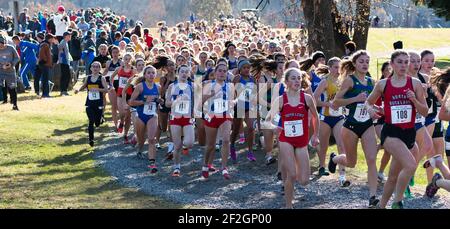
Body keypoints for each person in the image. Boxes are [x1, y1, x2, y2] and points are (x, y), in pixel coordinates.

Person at [365, 50, 428, 209]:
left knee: (392, 177)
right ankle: (397, 201)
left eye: (406, 62)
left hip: (409, 133)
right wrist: (371, 110)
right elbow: (368, 102)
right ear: (392, 64)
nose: (404, 65)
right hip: (391, 132)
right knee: (411, 165)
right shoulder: (383, 84)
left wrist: (414, 99)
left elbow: (425, 111)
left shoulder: (415, 84)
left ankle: (381, 206)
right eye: (400, 62)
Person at [328, 50, 379, 207]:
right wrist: (355, 98)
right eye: (361, 61)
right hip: (350, 125)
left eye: (367, 61)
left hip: (367, 125)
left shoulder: (372, 82)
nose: (365, 64)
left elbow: (369, 104)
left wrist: (376, 109)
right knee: (351, 163)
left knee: (371, 159)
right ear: (355, 64)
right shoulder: (349, 81)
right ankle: (335, 159)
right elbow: (336, 102)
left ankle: (372, 196)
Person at [266, 68, 320, 209]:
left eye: (299, 78)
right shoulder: (281, 100)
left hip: (301, 141)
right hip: (286, 140)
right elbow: (266, 121)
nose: (297, 81)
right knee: (292, 174)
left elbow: (316, 117)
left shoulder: (307, 98)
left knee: (304, 180)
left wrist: (315, 135)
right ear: (287, 82)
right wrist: (274, 127)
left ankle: (289, 169)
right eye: (293, 78)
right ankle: (288, 205)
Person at [313, 57, 349, 187]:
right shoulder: (325, 81)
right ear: (329, 68)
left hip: (339, 117)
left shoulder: (343, 80)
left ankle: (342, 175)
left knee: (341, 144)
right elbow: (314, 99)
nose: (338, 70)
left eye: (340, 67)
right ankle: (322, 167)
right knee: (324, 145)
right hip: (325, 117)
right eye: (335, 67)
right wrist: (327, 103)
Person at [201, 63, 235, 179]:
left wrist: (233, 103)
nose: (222, 73)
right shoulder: (208, 85)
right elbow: (200, 102)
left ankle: (224, 168)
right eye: (219, 71)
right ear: (215, 73)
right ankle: (206, 165)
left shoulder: (230, 86)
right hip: (212, 115)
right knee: (210, 145)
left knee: (226, 140)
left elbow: (232, 101)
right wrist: (209, 95)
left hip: (225, 116)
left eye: (224, 71)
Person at [128, 65, 162, 174]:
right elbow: (131, 102)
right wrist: (144, 101)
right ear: (145, 75)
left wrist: (160, 101)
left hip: (152, 115)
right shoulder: (140, 87)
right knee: (141, 137)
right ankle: (139, 149)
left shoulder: (158, 87)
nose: (151, 75)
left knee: (152, 139)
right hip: (140, 115)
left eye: (153, 73)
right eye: (149, 73)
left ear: (155, 75)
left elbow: (159, 100)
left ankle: (152, 163)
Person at [165, 65, 195, 177]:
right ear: (178, 73)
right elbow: (166, 103)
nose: (184, 74)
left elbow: (197, 102)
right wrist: (176, 101)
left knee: (189, 143)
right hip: (175, 118)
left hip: (187, 118)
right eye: (182, 71)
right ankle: (176, 167)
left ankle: (185, 147)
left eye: (186, 72)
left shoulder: (192, 86)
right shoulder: (172, 86)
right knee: (177, 146)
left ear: (189, 74)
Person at [74, 61, 108, 146]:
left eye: (97, 67)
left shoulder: (101, 78)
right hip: (89, 103)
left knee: (97, 123)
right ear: (91, 68)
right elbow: (84, 86)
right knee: (91, 121)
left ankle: (100, 119)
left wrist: (98, 90)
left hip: (99, 103)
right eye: (94, 66)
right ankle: (91, 140)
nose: (95, 68)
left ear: (100, 69)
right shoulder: (88, 77)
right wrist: (78, 90)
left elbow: (106, 89)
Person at [375, 62, 392, 183]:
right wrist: (380, 109)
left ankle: (380, 172)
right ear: (383, 72)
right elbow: (370, 103)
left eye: (391, 69)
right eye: (387, 70)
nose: (390, 72)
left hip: (391, 120)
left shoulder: (398, 85)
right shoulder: (379, 85)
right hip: (379, 119)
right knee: (388, 145)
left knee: (388, 148)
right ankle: (376, 170)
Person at [103, 46, 122, 129]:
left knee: (119, 106)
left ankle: (122, 122)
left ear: (119, 53)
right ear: (111, 53)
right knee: (113, 106)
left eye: (116, 52)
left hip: (120, 85)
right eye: (113, 52)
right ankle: (116, 124)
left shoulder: (121, 62)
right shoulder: (108, 62)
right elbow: (105, 72)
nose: (115, 54)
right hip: (111, 85)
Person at [0, 35, 20, 110]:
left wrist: (11, 64)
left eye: (1, 45)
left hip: (10, 71)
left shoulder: (11, 48)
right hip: (1, 71)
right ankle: (4, 99)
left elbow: (17, 58)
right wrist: (2, 66)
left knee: (12, 87)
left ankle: (15, 105)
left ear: (4, 42)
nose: (0, 47)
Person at [36, 33, 54, 98]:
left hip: (45, 64)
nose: (53, 40)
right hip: (44, 64)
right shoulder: (45, 44)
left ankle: (46, 93)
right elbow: (41, 54)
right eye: (52, 38)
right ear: (49, 39)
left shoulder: (47, 44)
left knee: (45, 80)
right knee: (45, 80)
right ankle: (45, 94)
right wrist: (45, 61)